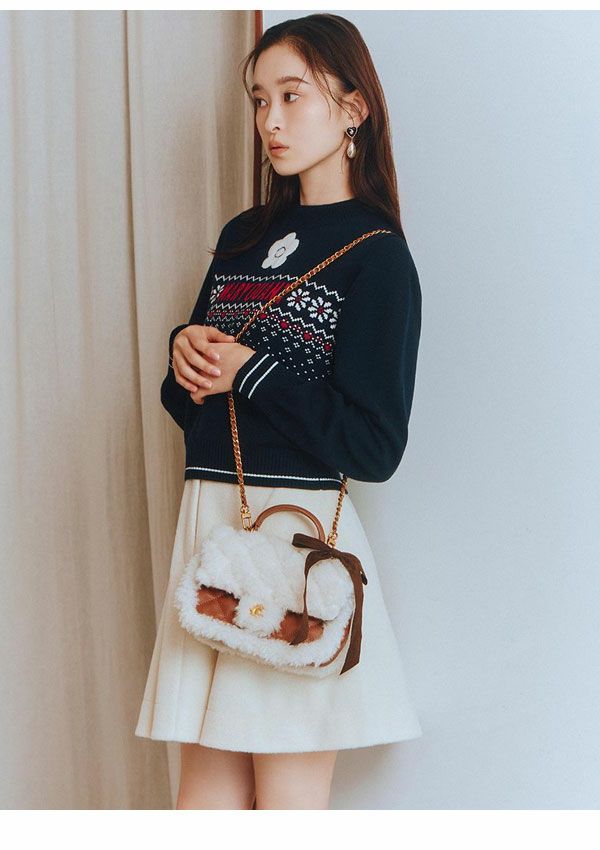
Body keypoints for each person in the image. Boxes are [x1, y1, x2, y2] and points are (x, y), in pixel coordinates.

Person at [135, 12, 423, 810]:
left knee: (288, 807)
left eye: (292, 96)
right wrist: (186, 358)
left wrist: (251, 370)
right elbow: (190, 407)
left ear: (353, 108)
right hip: (212, 532)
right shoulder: (242, 236)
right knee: (202, 810)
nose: (271, 120)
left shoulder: (377, 257)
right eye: (260, 100)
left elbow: (374, 446)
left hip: (293, 550)